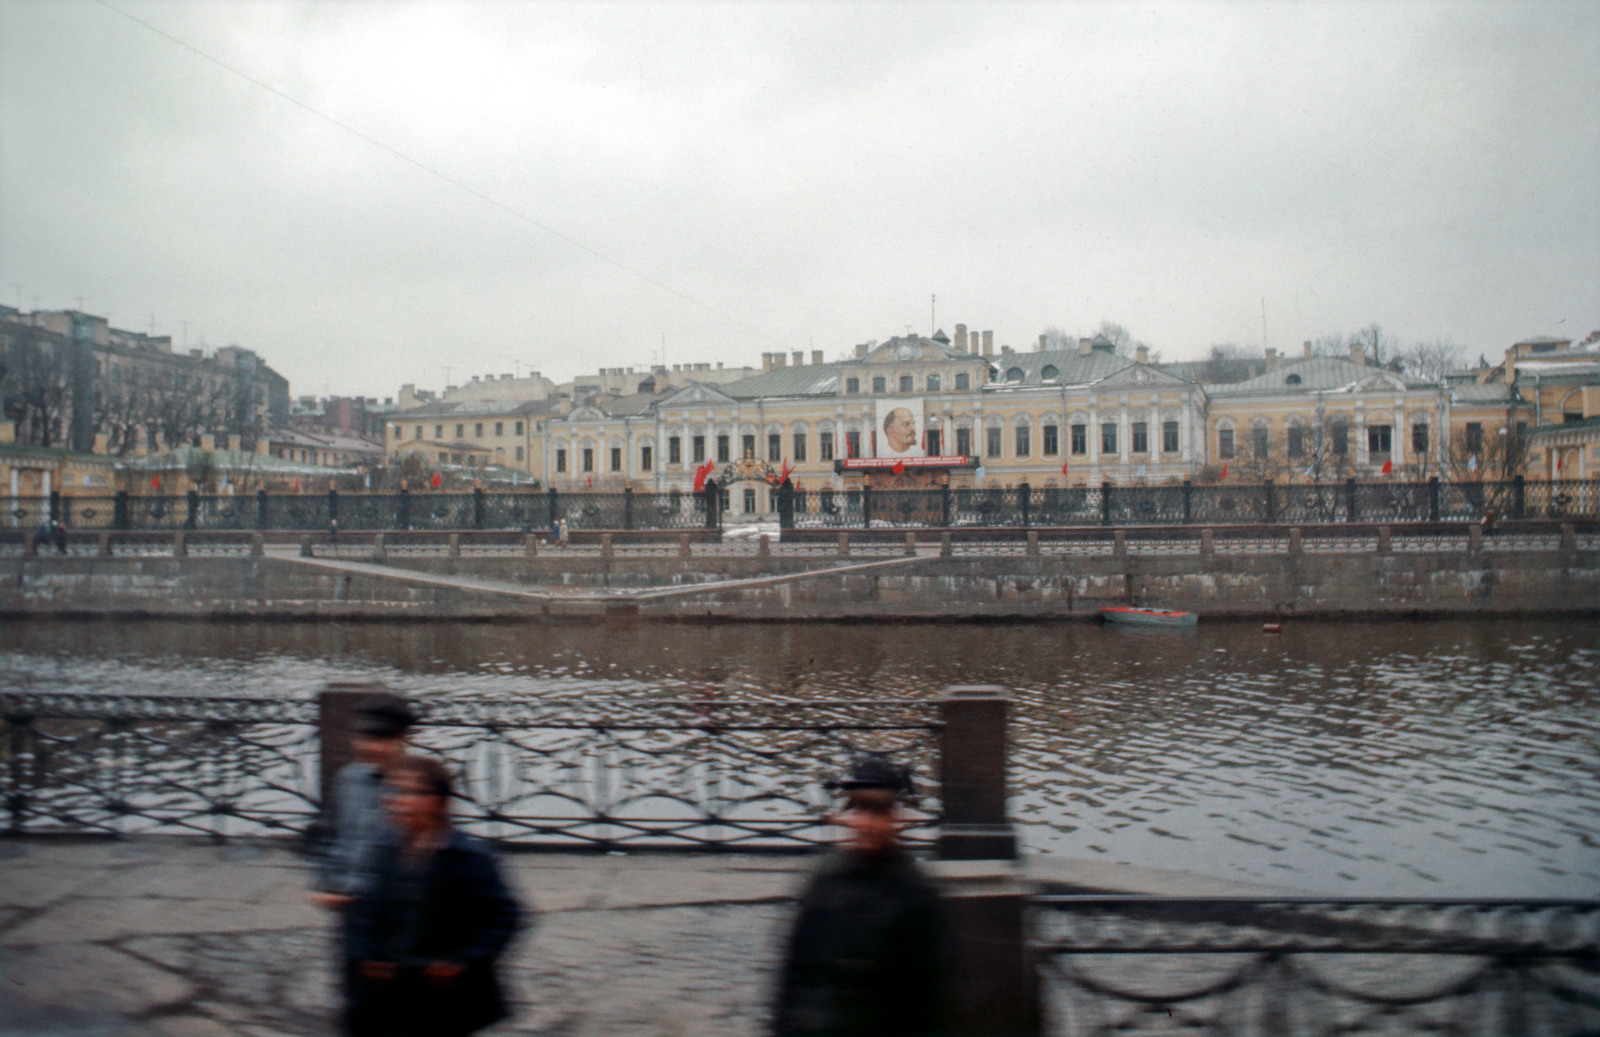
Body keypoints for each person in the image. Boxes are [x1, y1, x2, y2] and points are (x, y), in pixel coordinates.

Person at [772, 753, 948, 1037]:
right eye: (861, 810)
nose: (867, 823)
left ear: (894, 818)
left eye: (878, 812)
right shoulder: (825, 883)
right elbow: (795, 977)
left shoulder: (916, 894)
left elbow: (935, 994)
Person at [347, 754, 522, 1037]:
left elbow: (505, 916)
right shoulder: (383, 851)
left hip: (445, 993)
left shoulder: (469, 858)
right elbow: (367, 909)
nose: (396, 801)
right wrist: (368, 954)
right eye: (392, 792)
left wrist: (465, 960)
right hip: (393, 989)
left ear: (438, 802)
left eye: (409, 793)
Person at [311, 692, 415, 1031]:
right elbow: (329, 837)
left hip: (400, 915)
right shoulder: (347, 780)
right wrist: (325, 882)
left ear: (402, 739)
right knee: (354, 1001)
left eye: (381, 738)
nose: (370, 746)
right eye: (365, 736)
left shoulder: (421, 788)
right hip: (353, 912)